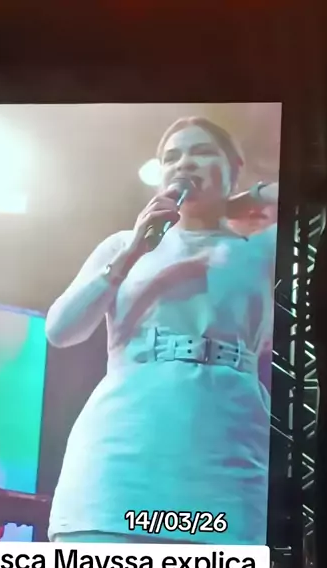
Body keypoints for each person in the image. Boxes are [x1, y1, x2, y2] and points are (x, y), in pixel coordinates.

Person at [46, 116, 279, 546]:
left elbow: (320, 202)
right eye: (172, 157)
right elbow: (61, 331)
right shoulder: (123, 245)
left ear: (234, 167)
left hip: (227, 456)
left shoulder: (266, 249)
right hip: (123, 455)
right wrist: (135, 250)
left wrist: (251, 197)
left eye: (202, 152)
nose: (184, 163)